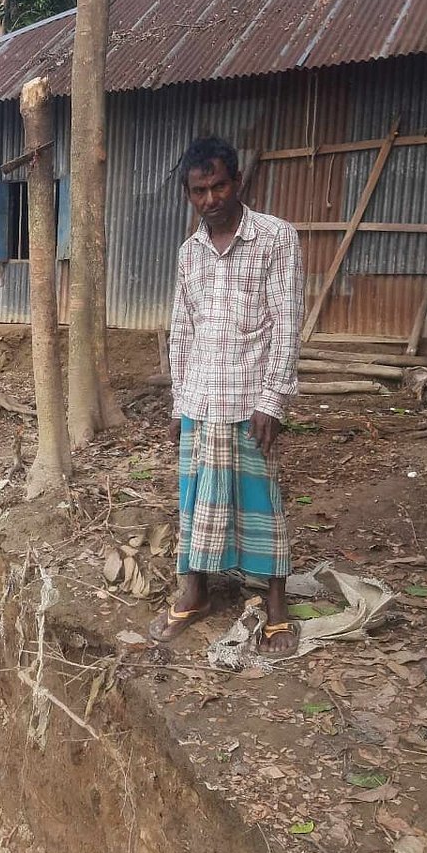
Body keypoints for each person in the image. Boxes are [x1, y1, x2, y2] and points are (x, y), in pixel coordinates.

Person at [149, 136, 304, 657]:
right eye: (198, 190)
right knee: (194, 503)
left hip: (250, 400)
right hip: (200, 398)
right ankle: (195, 593)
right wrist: (178, 403)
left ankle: (277, 605)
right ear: (189, 195)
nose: (210, 198)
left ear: (236, 182)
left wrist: (274, 400)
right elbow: (184, 330)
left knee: (261, 503)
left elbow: (286, 325)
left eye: (218, 186)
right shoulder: (189, 254)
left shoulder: (277, 240)